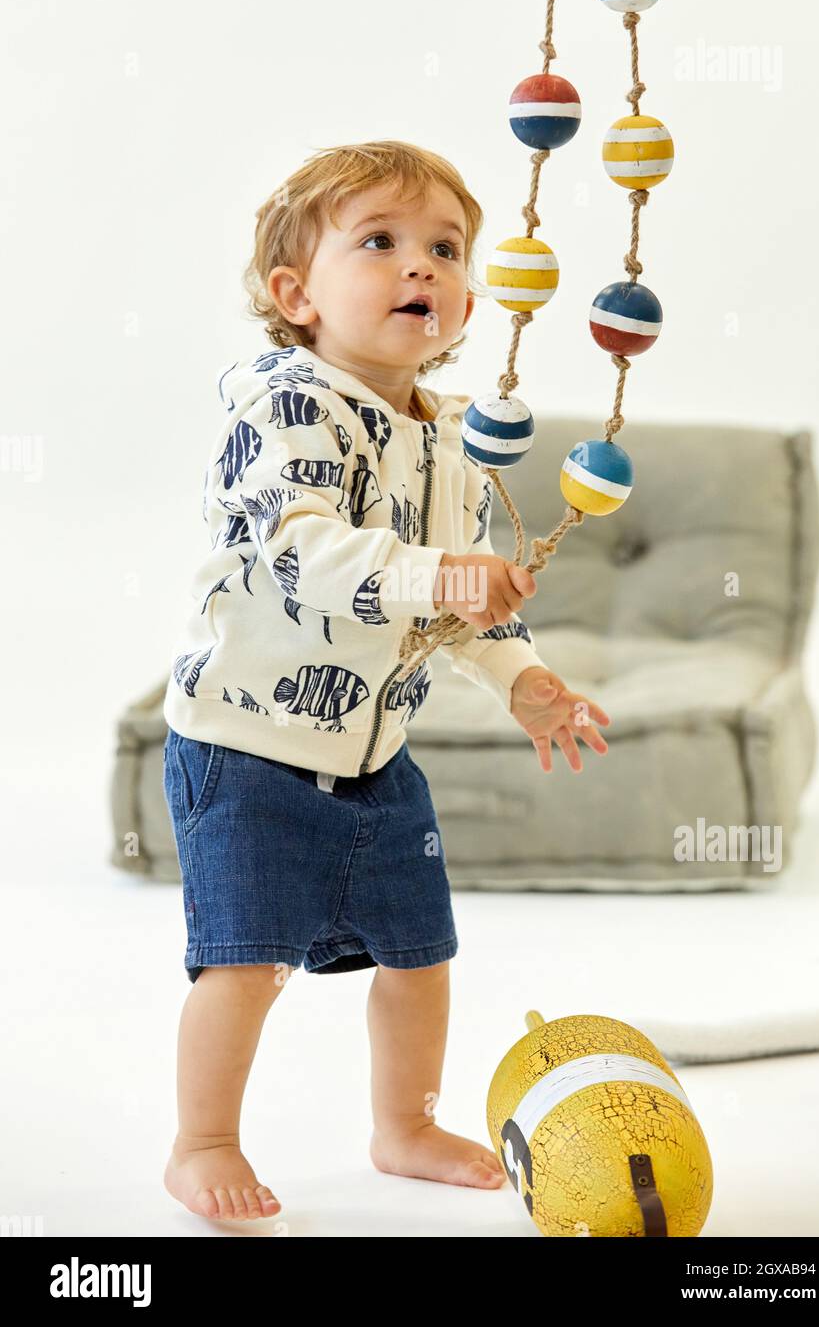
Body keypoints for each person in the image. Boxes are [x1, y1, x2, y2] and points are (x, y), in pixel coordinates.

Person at [161, 140, 610, 1221]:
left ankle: (402, 1123)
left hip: (373, 759)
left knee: (420, 954)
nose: (421, 267)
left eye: (445, 249)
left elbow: (463, 603)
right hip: (247, 748)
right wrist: (448, 571)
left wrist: (524, 679)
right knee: (244, 961)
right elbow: (304, 554)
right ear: (294, 295)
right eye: (380, 242)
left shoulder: (445, 440)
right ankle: (201, 1139)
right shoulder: (283, 409)